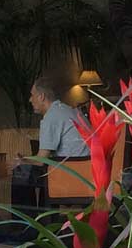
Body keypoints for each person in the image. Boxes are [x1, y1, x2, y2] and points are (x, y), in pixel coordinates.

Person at [10, 77, 87, 210]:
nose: (30, 100)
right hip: (87, 171)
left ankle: (25, 222)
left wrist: (22, 162)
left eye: (32, 95)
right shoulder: (69, 110)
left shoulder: (51, 116)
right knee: (35, 171)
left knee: (21, 172)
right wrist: (26, 159)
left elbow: (41, 161)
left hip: (72, 174)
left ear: (41, 97)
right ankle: (43, 218)